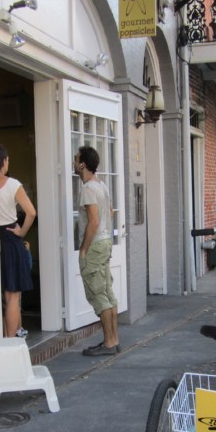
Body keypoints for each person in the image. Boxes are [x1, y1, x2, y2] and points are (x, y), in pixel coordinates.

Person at [74, 145, 120, 356]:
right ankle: (113, 340)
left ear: (83, 164)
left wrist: (84, 249)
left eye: (76, 159)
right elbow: (109, 213)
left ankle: (109, 343)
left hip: (95, 245)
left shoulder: (88, 189)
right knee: (107, 292)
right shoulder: (101, 185)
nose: (74, 163)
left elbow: (92, 222)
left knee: (98, 293)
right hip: (105, 241)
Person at [0, 145, 36, 339]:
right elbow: (31, 212)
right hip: (10, 236)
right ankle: (11, 341)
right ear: (4, 162)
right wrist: (21, 232)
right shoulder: (12, 184)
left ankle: (5, 336)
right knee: (12, 294)